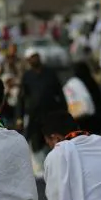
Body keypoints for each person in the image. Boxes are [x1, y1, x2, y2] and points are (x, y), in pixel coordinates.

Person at [18, 48, 67, 178]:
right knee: (36, 142)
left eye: (36, 56)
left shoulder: (50, 73)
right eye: (32, 57)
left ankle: (56, 168)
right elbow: (21, 98)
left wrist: (64, 112)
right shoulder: (27, 76)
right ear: (28, 61)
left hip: (51, 114)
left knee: (54, 141)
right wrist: (19, 117)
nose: (35, 59)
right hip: (34, 116)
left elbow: (60, 94)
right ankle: (41, 170)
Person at [69, 61, 101, 135]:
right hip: (96, 117)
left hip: (82, 119)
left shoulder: (75, 84)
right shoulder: (91, 82)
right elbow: (99, 99)